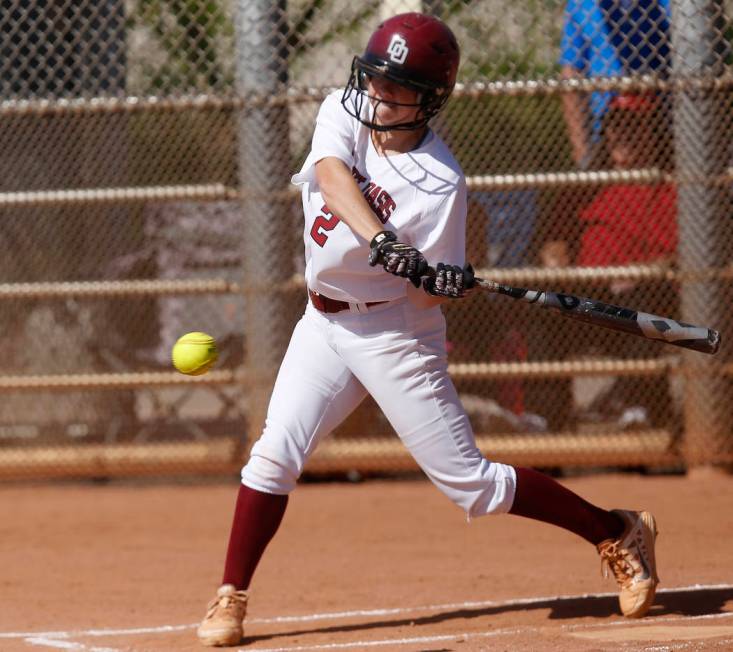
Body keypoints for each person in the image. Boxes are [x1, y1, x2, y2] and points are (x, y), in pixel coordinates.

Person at [197, 13, 659, 648]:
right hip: (322, 320)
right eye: (374, 80)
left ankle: (615, 529)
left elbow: (428, 287)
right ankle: (231, 596)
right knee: (274, 454)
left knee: (469, 483)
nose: (377, 96)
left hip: (394, 331)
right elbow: (330, 176)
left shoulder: (442, 183)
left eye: (397, 88)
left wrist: (439, 280)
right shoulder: (342, 112)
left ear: (429, 99)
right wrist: (384, 240)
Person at [559, 0, 671, 169]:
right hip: (606, 137)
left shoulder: (666, 5)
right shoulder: (582, 5)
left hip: (659, 133)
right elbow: (571, 73)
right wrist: (582, 152)